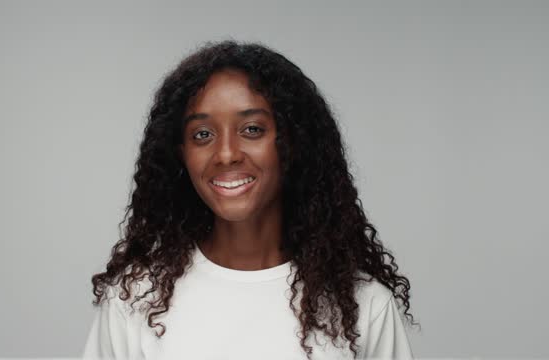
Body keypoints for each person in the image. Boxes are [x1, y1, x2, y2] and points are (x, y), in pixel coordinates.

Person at [82, 40, 417, 360]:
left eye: (252, 129)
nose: (226, 154)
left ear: (293, 142)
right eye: (203, 135)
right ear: (182, 154)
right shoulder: (134, 299)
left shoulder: (364, 304)